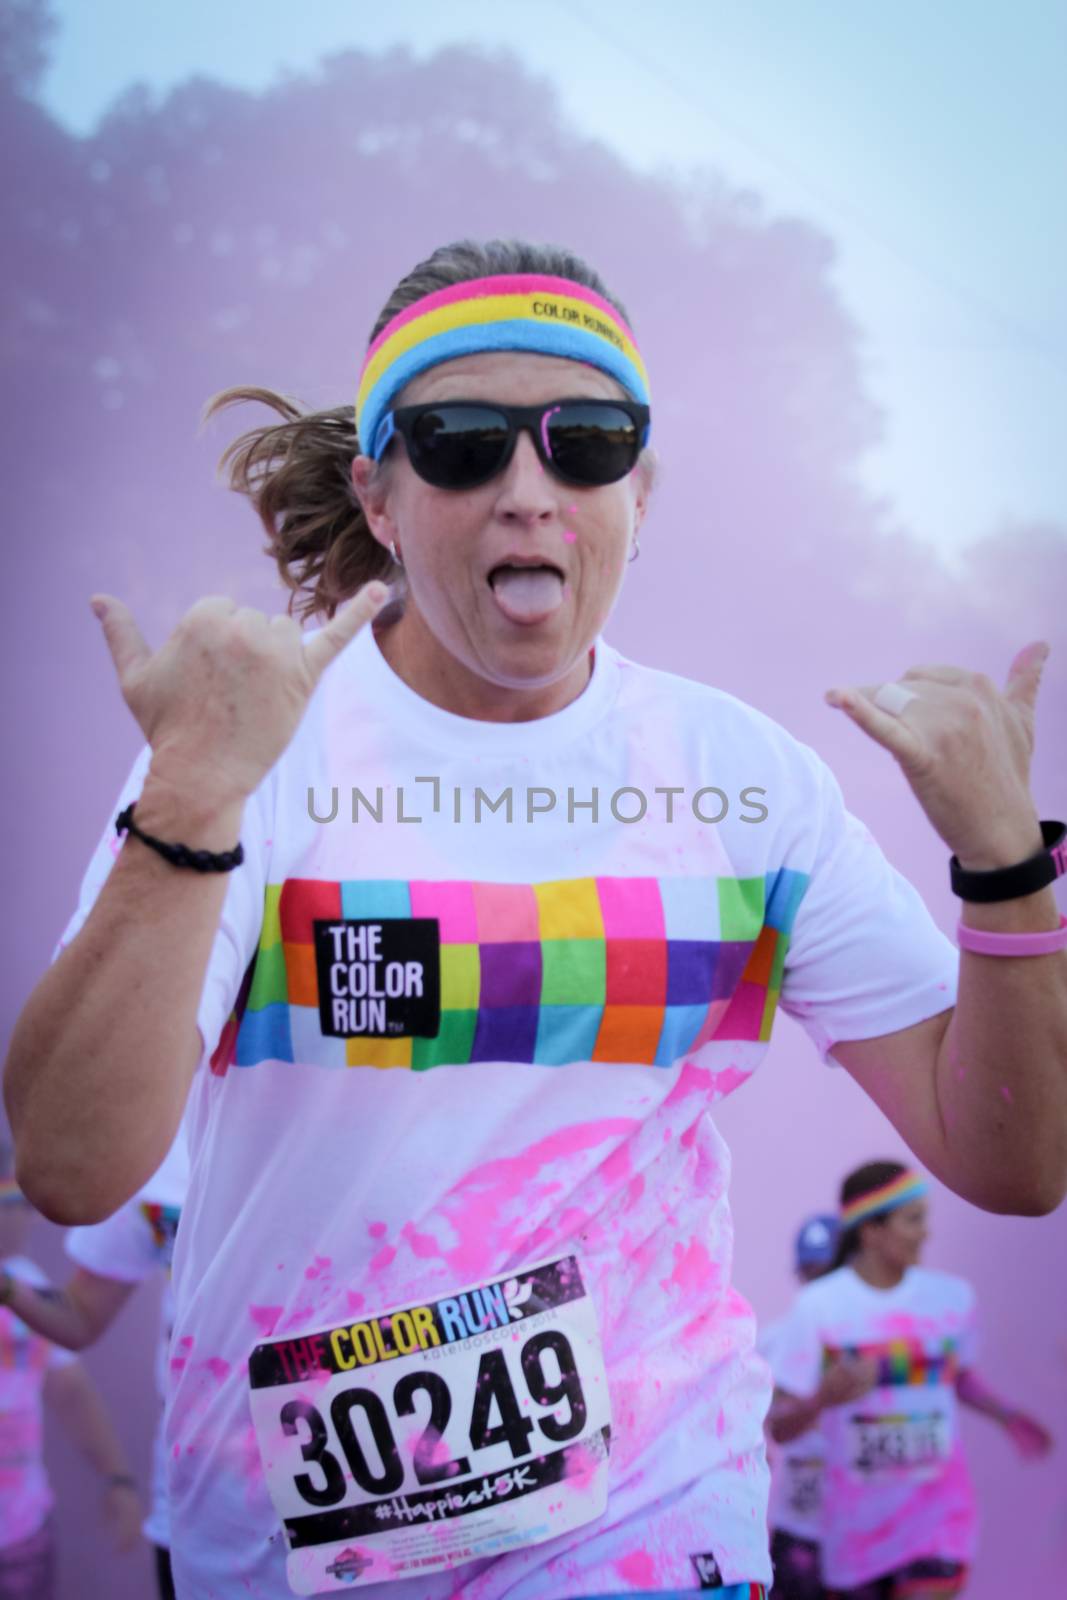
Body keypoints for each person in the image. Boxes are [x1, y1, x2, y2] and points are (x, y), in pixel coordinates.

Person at [4, 236, 1067, 1598]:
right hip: (282, 1548)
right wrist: (192, 801)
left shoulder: (740, 781)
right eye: (457, 444)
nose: (526, 491)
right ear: (376, 494)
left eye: (585, 442)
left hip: (646, 1514)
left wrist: (1000, 866)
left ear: (636, 487)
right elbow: (73, 1171)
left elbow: (1015, 1161)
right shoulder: (254, 754)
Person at [767, 1161, 1054, 1599]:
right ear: (872, 1231)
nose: (926, 1233)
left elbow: (956, 1378)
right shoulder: (818, 1308)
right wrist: (821, 1400)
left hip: (937, 1522)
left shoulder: (952, 1301)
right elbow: (781, 1428)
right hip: (855, 1532)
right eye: (913, 1220)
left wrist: (1007, 1415)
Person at [0, 1131, 188, 1599]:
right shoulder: (151, 1141)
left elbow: (70, 1385)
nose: (23, 1213)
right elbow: (79, 1315)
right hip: (195, 1508)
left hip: (369, 1499)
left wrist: (117, 1480)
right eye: (12, 1200)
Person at [759, 1215, 842, 1600]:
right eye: (810, 1273)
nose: (818, 1285)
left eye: (828, 1272)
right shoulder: (774, 1341)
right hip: (798, 1525)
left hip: (862, 1526)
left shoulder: (875, 1336)